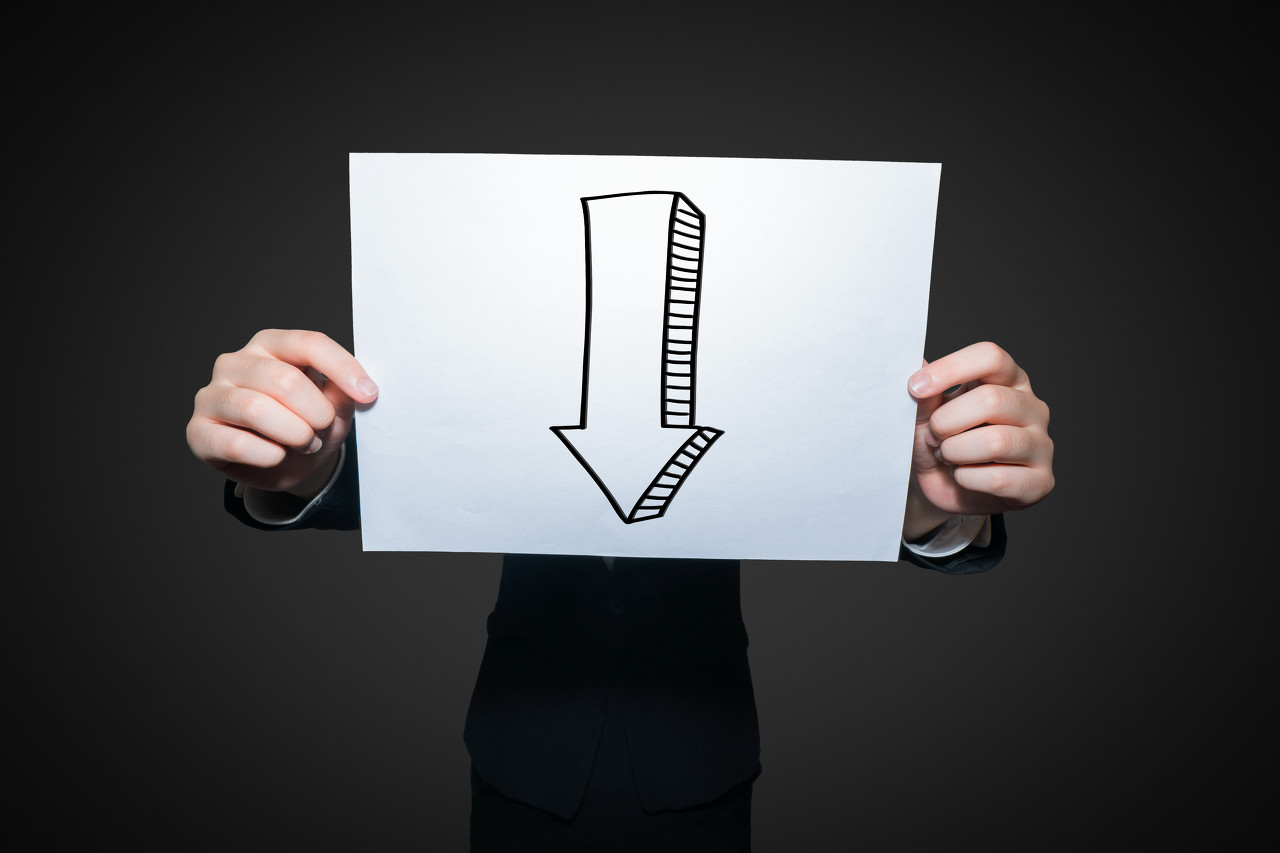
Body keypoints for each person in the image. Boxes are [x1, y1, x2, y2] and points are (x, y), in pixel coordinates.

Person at [187, 330, 1054, 851]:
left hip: (703, 765)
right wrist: (300, 464)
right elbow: (405, 472)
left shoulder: (742, 394)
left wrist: (924, 501)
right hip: (521, 762)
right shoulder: (508, 385)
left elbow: (837, 486)